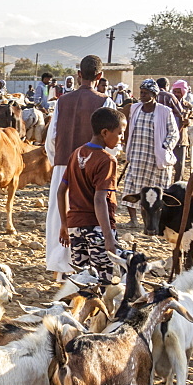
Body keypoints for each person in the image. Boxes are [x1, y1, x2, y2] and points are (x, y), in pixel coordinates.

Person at [43, 54, 115, 276]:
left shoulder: (62, 101)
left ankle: (63, 269)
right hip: (93, 168)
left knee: (61, 216)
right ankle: (87, 269)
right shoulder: (105, 102)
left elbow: (51, 140)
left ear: (78, 75)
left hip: (64, 165)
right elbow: (110, 141)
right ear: (100, 76)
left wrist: (60, 162)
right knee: (90, 214)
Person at [56, 107, 126, 282]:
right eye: (120, 133)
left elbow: (61, 191)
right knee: (103, 279)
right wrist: (108, 237)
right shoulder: (107, 160)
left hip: (75, 227)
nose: (122, 138)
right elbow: (100, 199)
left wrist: (64, 224)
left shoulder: (76, 153)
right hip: (97, 228)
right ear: (105, 132)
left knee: (83, 280)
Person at [119, 79, 180, 225]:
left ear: (154, 94)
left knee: (158, 190)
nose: (142, 95)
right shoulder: (135, 109)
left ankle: (157, 221)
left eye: (146, 93)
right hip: (137, 155)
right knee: (132, 187)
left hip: (156, 158)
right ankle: (133, 220)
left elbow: (174, 133)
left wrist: (165, 147)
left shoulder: (164, 112)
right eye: (141, 92)